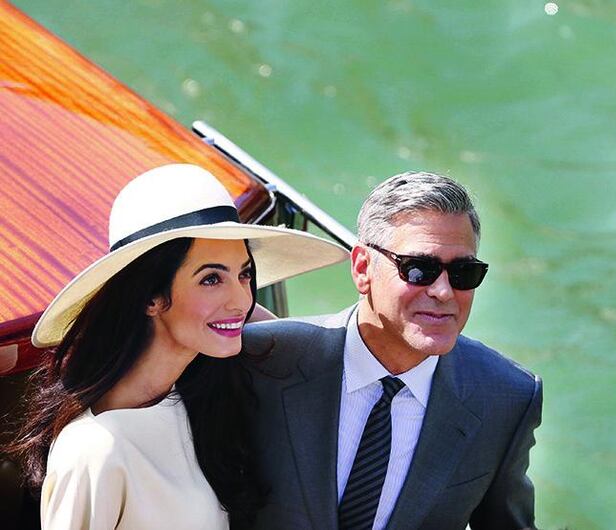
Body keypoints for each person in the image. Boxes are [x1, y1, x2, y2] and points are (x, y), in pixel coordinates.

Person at [4, 164, 348, 529]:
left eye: (245, 274)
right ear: (150, 297)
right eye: (211, 279)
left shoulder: (192, 398)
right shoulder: (95, 449)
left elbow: (293, 345)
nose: (240, 299)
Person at [243, 171, 543, 530]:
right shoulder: (259, 361)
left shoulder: (506, 399)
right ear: (362, 268)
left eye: (464, 272)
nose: (444, 292)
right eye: (420, 269)